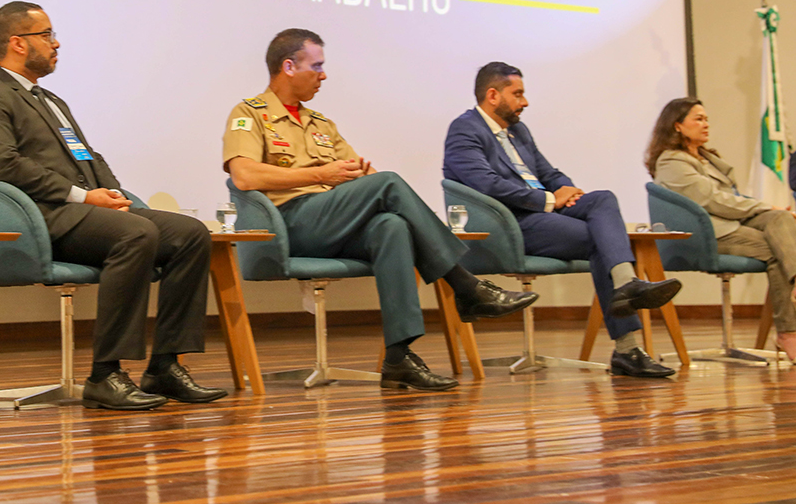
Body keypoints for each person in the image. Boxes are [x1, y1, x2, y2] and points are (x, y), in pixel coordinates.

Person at [222, 29, 538, 392]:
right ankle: (466, 286)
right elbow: (244, 175)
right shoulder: (250, 113)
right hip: (289, 222)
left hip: (331, 221)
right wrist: (320, 174)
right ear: (289, 66)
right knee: (388, 183)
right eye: (317, 66)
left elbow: (360, 173)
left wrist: (364, 180)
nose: (324, 75)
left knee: (391, 226)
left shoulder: (321, 124)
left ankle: (398, 358)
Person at [0, 1, 224, 411]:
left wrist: (113, 195)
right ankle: (105, 375)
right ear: (17, 43)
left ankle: (166, 366)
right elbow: (0, 163)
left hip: (88, 212)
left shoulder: (52, 100)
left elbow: (88, 156)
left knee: (191, 234)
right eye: (46, 35)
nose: (56, 43)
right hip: (43, 218)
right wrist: (83, 196)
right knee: (137, 233)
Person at [443, 61, 682, 378]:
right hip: (511, 221)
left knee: (603, 199)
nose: (525, 102)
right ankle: (627, 348)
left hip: (543, 211)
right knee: (602, 241)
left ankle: (627, 286)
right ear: (493, 95)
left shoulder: (518, 131)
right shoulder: (464, 130)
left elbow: (548, 173)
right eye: (518, 94)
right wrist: (547, 200)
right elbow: (486, 184)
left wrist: (570, 193)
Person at [648, 97, 796, 360]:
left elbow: (732, 198)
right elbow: (712, 200)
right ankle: (788, 333)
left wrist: (771, 210)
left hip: (731, 224)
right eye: (699, 119)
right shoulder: (671, 161)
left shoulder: (707, 158)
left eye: (706, 119)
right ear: (677, 125)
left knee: (781, 219)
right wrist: (764, 206)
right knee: (777, 249)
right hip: (705, 234)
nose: (706, 124)